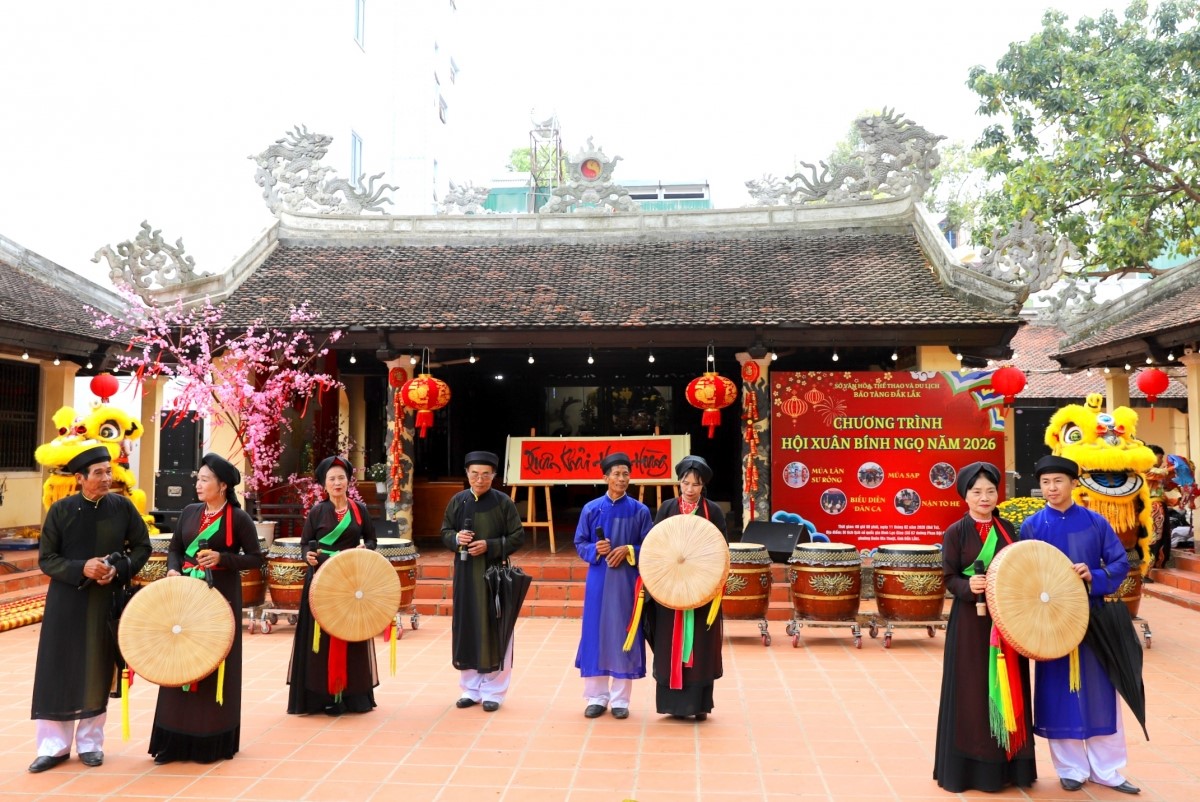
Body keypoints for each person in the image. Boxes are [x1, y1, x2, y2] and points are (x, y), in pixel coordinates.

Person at [1021, 455, 1140, 795]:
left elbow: (1119, 563)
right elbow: (1023, 569)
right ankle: (1070, 768)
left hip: (1092, 618)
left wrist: (1094, 575)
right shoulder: (1032, 526)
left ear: (1074, 483)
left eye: (1058, 481)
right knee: (1057, 692)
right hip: (1051, 621)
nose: (1052, 488)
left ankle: (1108, 770)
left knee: (1101, 692)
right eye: (1045, 482)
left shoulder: (1095, 522)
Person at [30, 443, 151, 773]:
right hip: (65, 601)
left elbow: (142, 547)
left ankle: (90, 743)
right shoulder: (61, 511)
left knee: (97, 667)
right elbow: (47, 559)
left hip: (104, 600)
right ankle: (53, 747)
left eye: (108, 471)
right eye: (98, 473)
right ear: (80, 478)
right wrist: (81, 567)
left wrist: (118, 570)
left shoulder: (122, 508)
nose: (106, 478)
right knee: (58, 668)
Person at [150, 453, 264, 764]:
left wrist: (222, 559)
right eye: (198, 479)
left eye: (204, 480)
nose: (198, 485)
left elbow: (256, 558)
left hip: (219, 595)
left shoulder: (238, 518)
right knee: (179, 658)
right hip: (186, 594)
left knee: (213, 661)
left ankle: (209, 740)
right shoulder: (189, 512)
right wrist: (173, 569)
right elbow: (175, 549)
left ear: (223, 485)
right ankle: (173, 741)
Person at [933, 461, 1036, 792]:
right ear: (965, 496)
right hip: (970, 623)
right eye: (977, 492)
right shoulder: (955, 532)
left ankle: (1011, 767)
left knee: (1009, 686)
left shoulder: (1007, 529)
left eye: (990, 491)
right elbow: (949, 577)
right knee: (972, 690)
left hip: (1006, 619)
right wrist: (968, 586)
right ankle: (971, 769)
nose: (984, 498)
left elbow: (1022, 567)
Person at [287, 456, 379, 716]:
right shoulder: (317, 512)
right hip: (322, 579)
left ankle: (352, 695)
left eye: (341, 478)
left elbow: (372, 540)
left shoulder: (359, 510)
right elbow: (305, 544)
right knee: (321, 638)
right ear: (324, 484)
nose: (337, 483)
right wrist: (308, 555)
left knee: (351, 633)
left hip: (349, 580)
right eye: (332, 479)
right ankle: (323, 696)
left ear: (349, 481)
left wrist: (365, 548)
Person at [644, 455, 727, 721]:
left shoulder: (713, 512)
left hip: (702, 588)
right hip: (670, 588)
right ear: (679, 482)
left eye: (696, 484)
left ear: (703, 486)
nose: (690, 489)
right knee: (669, 642)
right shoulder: (667, 508)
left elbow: (722, 551)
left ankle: (699, 705)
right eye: (685, 483)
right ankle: (672, 704)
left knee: (700, 647)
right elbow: (655, 546)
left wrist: (707, 580)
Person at [441, 450, 525, 712]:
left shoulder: (503, 502)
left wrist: (490, 545)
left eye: (486, 474)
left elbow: (517, 536)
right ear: (467, 474)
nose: (480, 479)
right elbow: (445, 531)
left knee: (496, 628)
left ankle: (494, 691)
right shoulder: (458, 501)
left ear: (494, 475)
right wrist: (457, 539)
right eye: (475, 474)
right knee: (467, 627)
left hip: (493, 577)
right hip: (466, 575)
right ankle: (470, 689)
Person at [574, 452, 651, 719]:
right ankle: (596, 697)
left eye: (625, 474)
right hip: (598, 579)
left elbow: (650, 546)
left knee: (623, 633)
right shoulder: (591, 509)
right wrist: (595, 549)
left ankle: (620, 700)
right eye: (616, 474)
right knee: (595, 633)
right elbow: (580, 542)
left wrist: (630, 550)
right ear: (605, 477)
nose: (621, 478)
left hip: (626, 582)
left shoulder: (640, 511)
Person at [1145, 445, 1172, 575]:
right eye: (1160, 457)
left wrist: (1177, 501)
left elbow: (1163, 493)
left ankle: (1157, 563)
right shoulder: (1144, 469)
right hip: (1152, 507)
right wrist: (1175, 467)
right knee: (1153, 538)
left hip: (1159, 506)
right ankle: (1145, 571)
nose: (1161, 461)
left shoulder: (1157, 473)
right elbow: (1160, 473)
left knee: (1162, 537)